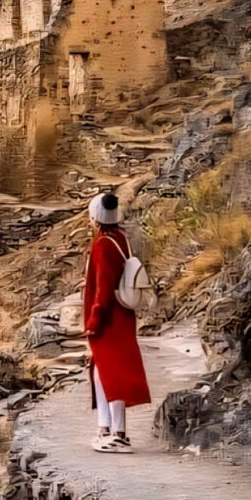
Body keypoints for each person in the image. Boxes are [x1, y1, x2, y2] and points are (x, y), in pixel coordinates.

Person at [83, 192, 150, 453]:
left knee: (112, 375)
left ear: (95, 218)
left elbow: (102, 288)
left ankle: (119, 435)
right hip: (122, 314)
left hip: (109, 319)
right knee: (102, 373)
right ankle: (105, 428)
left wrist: (94, 320)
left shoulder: (102, 245)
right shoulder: (120, 239)